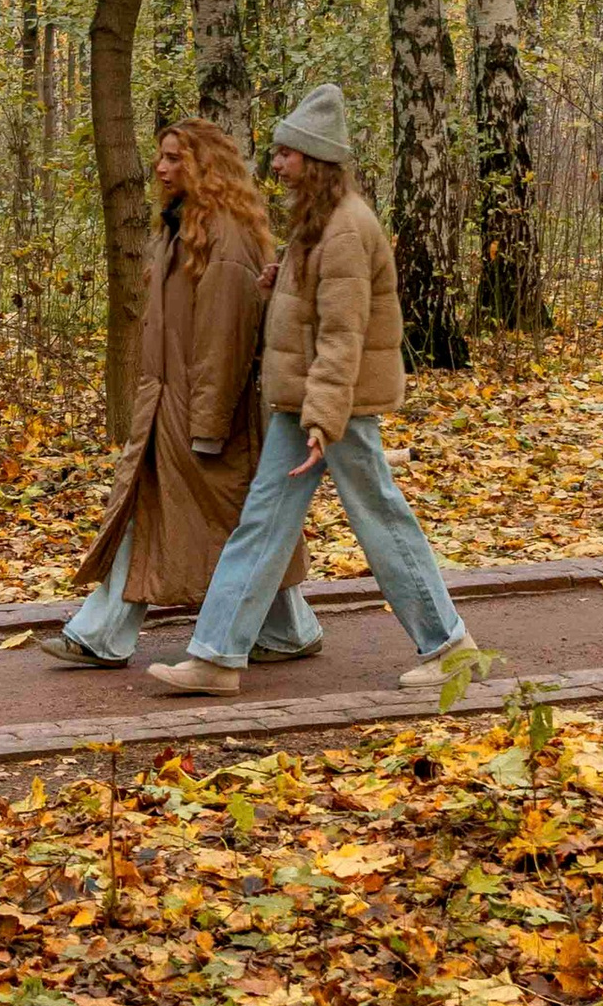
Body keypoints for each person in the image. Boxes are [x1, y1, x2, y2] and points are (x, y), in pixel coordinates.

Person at [147, 85, 483, 698]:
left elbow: (342, 334)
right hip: (302, 404)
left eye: (286, 154)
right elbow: (315, 313)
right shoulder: (318, 223)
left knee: (379, 518)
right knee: (262, 522)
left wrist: (323, 419)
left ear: (316, 159)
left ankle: (449, 646)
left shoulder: (347, 228)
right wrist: (282, 286)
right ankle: (217, 656)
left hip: (334, 408)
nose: (275, 164)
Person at [41, 119, 323, 671]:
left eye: (175, 158)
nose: (162, 168)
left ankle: (106, 633)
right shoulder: (181, 226)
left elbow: (225, 337)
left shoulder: (225, 235)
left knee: (233, 519)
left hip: (201, 410)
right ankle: (286, 628)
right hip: (168, 406)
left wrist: (209, 424)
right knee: (181, 515)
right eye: (161, 157)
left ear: (206, 167)